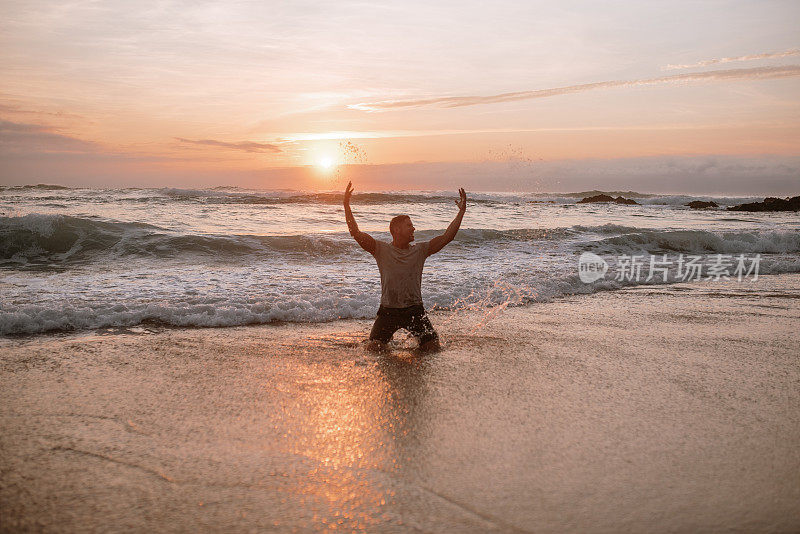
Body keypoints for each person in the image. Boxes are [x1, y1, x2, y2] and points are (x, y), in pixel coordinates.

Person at [343, 181, 467, 353]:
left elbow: (447, 237)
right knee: (373, 349)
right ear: (396, 229)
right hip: (388, 311)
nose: (413, 228)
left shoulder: (421, 250)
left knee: (433, 349)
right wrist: (346, 205)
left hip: (414, 309)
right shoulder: (380, 249)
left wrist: (461, 212)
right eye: (409, 225)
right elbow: (355, 233)